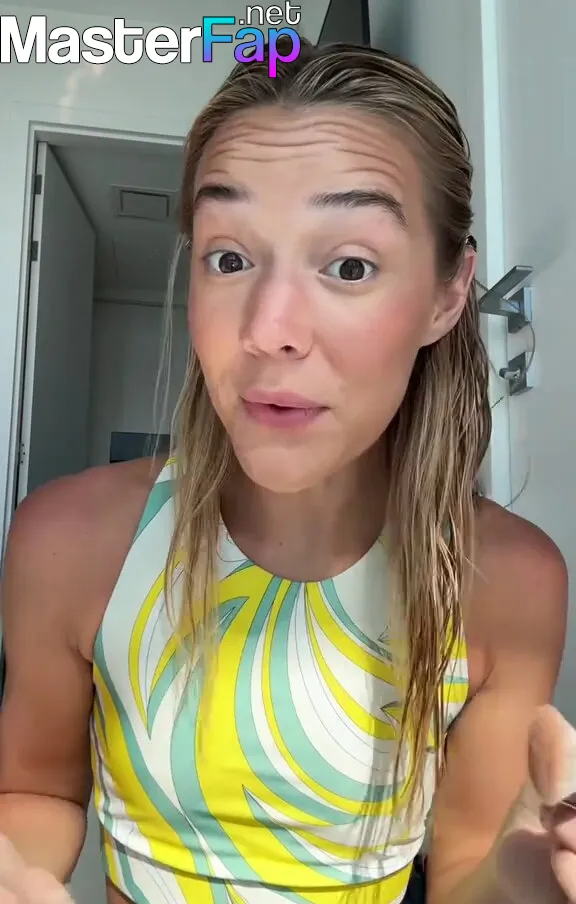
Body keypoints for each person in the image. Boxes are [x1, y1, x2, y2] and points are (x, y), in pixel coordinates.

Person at [0, 38, 574, 904]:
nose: (267, 329)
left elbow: (462, 870)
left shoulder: (511, 582)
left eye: (349, 266)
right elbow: (36, 790)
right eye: (229, 257)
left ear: (447, 294)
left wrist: (520, 879)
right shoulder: (70, 540)